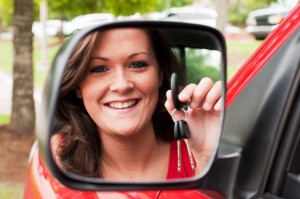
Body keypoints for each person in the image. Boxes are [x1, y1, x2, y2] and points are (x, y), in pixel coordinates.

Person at [52, 27, 222, 182]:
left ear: (160, 75)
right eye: (99, 69)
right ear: (77, 86)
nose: (121, 85)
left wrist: (208, 158)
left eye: (138, 64)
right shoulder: (56, 157)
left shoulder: (197, 153)